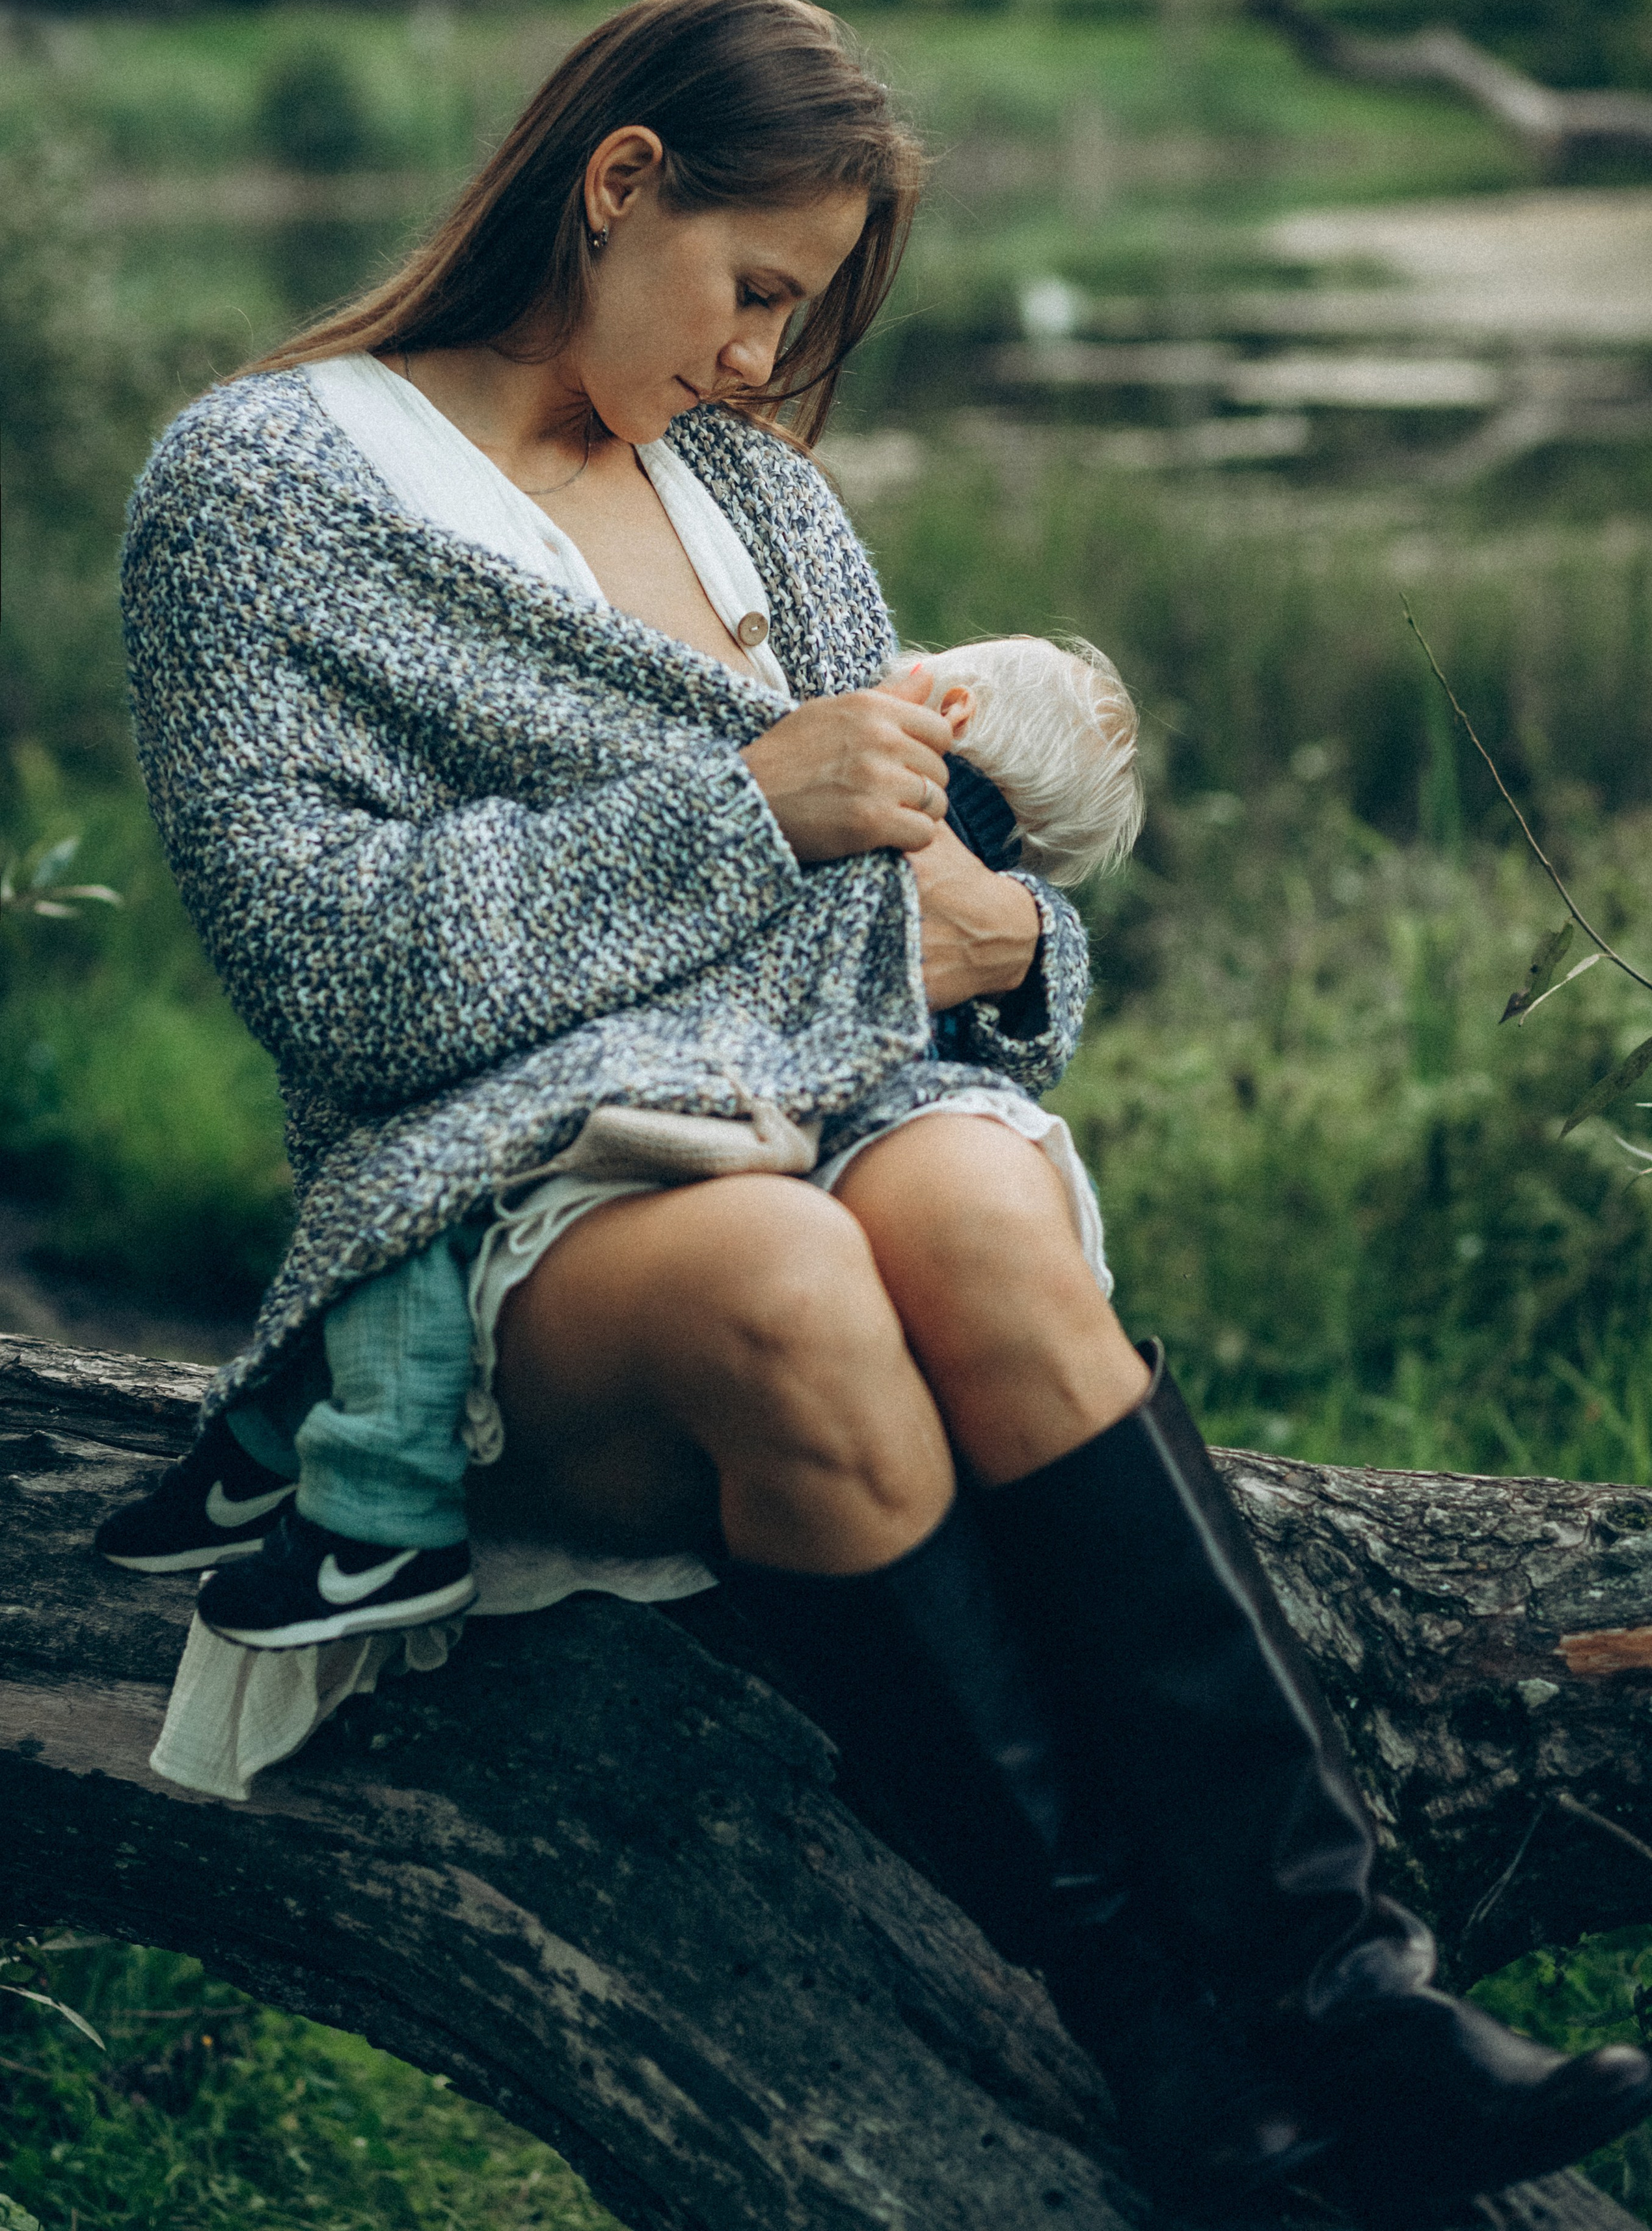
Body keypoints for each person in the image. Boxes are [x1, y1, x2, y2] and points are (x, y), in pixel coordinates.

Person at [98, 0, 1652, 2215]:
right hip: (516, 1206)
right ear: (615, 181)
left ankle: (1340, 1990)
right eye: (751, 296)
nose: (760, 365)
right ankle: (1137, 2025)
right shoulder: (262, 491)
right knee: (790, 1280)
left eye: (797, 320)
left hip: (846, 1105)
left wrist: (1025, 941)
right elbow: (335, 975)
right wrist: (753, 820)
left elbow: (935, 911)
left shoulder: (761, 502)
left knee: (979, 1219)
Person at [98, 628, 1143, 1640]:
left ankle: (378, 1512)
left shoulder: (871, 796)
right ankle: (261, 1465)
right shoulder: (979, 885)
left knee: (414, 1213)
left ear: (945, 704)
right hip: (794, 1139)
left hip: (684, 1103)